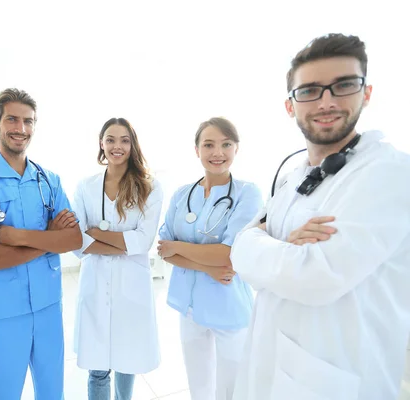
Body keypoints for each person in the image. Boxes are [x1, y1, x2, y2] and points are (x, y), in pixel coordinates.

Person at [230, 33, 410, 400]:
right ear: (290, 105)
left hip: (337, 379)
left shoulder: (390, 173)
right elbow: (252, 244)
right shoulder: (294, 175)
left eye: (343, 85)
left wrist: (251, 244)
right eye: (310, 90)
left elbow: (314, 277)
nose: (326, 101)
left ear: (367, 93)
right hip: (271, 367)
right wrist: (272, 246)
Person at [0, 88, 82, 400]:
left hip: (48, 306)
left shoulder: (49, 179)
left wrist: (16, 237)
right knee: (1, 394)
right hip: (3, 312)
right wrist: (48, 239)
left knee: (52, 392)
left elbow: (72, 238)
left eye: (28, 121)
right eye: (12, 120)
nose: (21, 129)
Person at [157, 117, 263, 400]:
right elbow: (164, 250)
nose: (218, 152)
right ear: (197, 150)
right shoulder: (182, 194)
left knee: (232, 389)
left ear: (236, 148)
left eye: (226, 144)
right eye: (209, 145)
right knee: (199, 386)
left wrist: (179, 247)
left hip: (227, 305)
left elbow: (229, 255)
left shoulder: (247, 193)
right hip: (188, 305)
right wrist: (207, 265)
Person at [72, 117, 163, 400]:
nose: (117, 146)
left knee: (128, 360)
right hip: (96, 284)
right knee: (97, 368)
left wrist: (96, 234)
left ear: (132, 144)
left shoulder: (149, 186)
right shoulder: (86, 186)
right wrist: (122, 243)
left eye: (124, 140)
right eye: (110, 139)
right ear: (101, 143)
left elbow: (143, 241)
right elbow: (77, 241)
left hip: (131, 285)